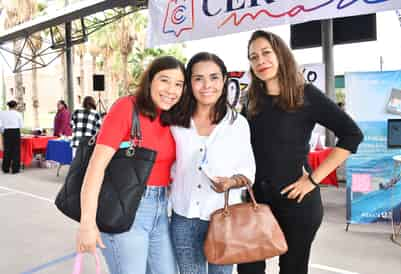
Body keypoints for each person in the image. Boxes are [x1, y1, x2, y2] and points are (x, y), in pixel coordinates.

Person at [237, 30, 364, 274]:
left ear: (281, 54)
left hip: (297, 202)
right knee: (248, 269)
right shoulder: (250, 99)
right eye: (253, 57)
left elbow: (352, 135)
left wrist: (313, 179)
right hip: (256, 202)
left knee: (292, 269)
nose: (260, 61)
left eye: (266, 53)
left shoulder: (305, 94)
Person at [76, 56, 186, 274]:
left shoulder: (171, 117)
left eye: (178, 84)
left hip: (161, 209)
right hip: (126, 208)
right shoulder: (127, 108)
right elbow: (95, 167)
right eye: (164, 80)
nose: (171, 90)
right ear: (150, 81)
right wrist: (87, 222)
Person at [169, 52, 256, 274]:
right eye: (198, 78)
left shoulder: (238, 125)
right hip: (184, 219)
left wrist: (230, 182)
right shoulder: (175, 122)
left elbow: (248, 173)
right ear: (189, 82)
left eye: (214, 77)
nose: (207, 85)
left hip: (224, 219)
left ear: (225, 80)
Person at [0, 100, 23, 174]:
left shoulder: (2, 113)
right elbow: (21, 125)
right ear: (15, 106)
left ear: (8, 106)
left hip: (7, 132)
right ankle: (15, 169)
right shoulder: (18, 114)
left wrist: (3, 131)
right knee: (16, 151)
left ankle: (5, 168)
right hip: (15, 132)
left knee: (7, 150)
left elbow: (1, 124)